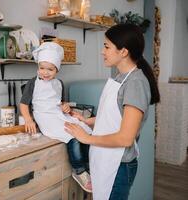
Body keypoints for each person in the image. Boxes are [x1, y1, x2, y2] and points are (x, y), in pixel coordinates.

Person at [65, 23, 160, 200]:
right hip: (105, 160)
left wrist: (87, 138)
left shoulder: (135, 84)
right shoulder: (119, 78)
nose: (103, 51)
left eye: (107, 46)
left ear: (123, 52)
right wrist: (87, 121)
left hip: (118, 166)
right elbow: (114, 117)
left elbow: (125, 137)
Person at [20, 42, 92, 192]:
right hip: (45, 117)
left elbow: (62, 103)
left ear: (57, 70)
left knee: (83, 130)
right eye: (42, 68)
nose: (45, 72)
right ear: (38, 67)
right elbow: (23, 104)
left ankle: (88, 167)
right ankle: (79, 171)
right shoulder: (33, 83)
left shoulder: (59, 83)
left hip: (58, 114)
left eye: (50, 69)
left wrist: (65, 107)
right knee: (72, 136)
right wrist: (28, 119)